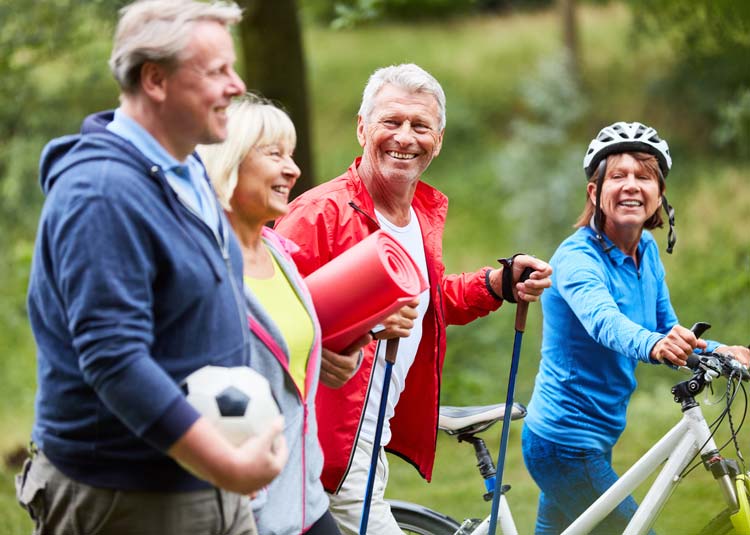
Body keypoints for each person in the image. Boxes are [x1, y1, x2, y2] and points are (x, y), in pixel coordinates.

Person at [16, 2, 288, 534]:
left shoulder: (185, 169)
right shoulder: (102, 194)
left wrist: (233, 446)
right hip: (127, 495)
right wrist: (224, 461)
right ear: (156, 79)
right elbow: (115, 361)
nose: (237, 85)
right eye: (217, 72)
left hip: (204, 480)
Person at [274, 63, 553, 534]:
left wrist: (497, 284)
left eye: (420, 126)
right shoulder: (320, 215)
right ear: (363, 128)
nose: (405, 137)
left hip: (370, 435)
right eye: (391, 121)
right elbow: (264, 319)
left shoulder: (418, 213)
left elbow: (425, 301)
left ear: (438, 140)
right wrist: (341, 339)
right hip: (326, 440)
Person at [521, 121, 750, 534]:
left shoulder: (646, 251)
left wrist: (721, 351)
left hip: (595, 439)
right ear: (595, 193)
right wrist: (656, 344)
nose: (631, 185)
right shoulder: (577, 259)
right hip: (564, 444)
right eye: (618, 176)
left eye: (644, 176)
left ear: (659, 195)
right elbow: (605, 322)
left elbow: (667, 328)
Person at [197, 93, 371, 535]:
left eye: (291, 155)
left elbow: (288, 358)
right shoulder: (199, 266)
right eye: (274, 154)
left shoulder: (278, 251)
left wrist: (334, 357)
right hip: (238, 513)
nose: (292, 169)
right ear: (228, 161)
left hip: (304, 499)